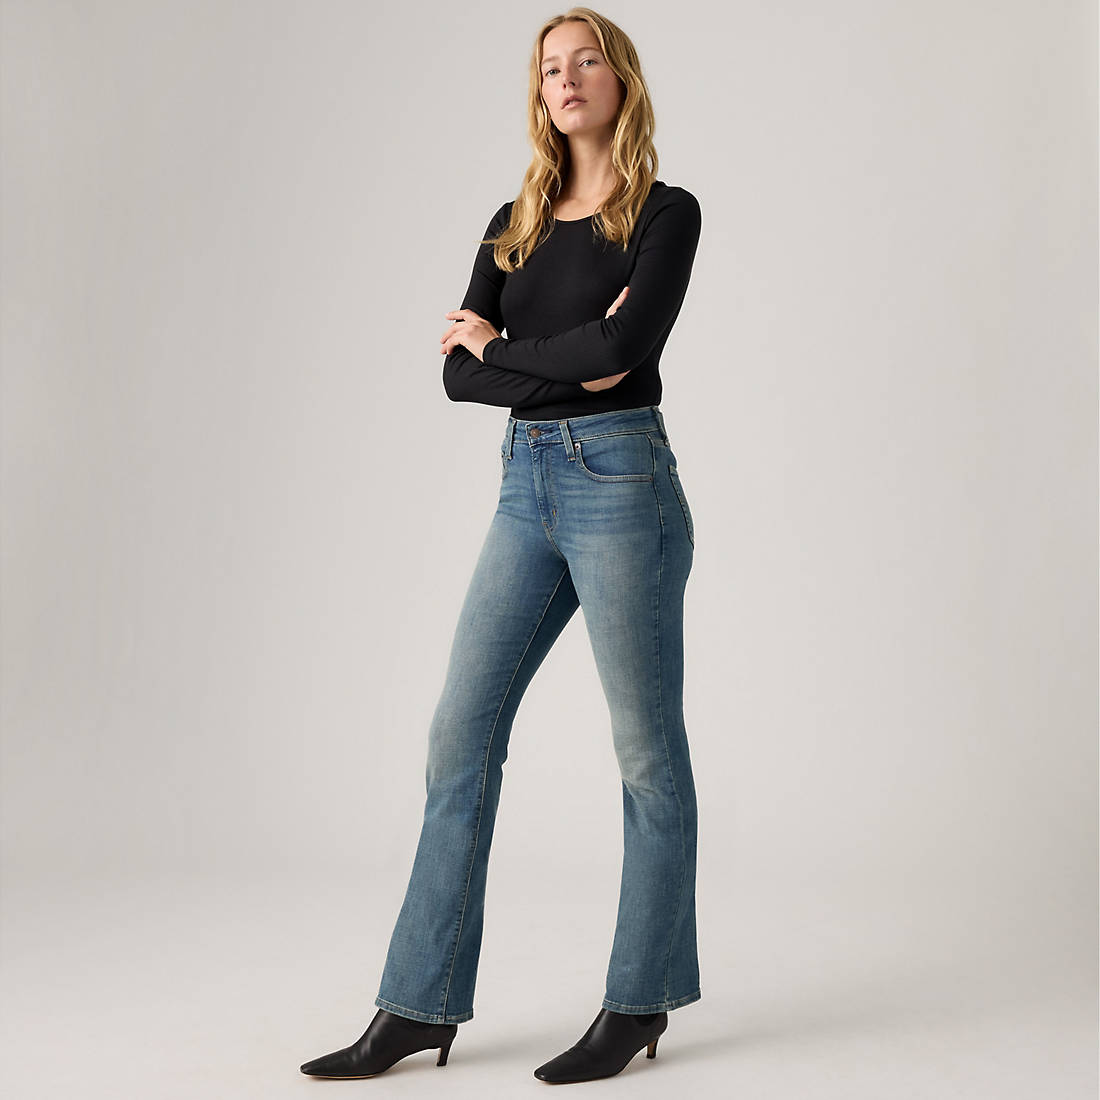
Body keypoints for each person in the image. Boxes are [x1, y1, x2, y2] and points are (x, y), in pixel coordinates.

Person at [300, 6, 702, 1085]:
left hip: (621, 482)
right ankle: (416, 1004)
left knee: (645, 754)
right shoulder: (510, 223)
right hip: (525, 485)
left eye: (586, 61)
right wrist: (563, 357)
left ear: (619, 79)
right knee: (459, 736)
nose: (566, 79)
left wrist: (510, 349)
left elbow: (624, 350)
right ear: (539, 93)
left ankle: (640, 996)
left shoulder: (664, 213)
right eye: (550, 68)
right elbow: (455, 374)